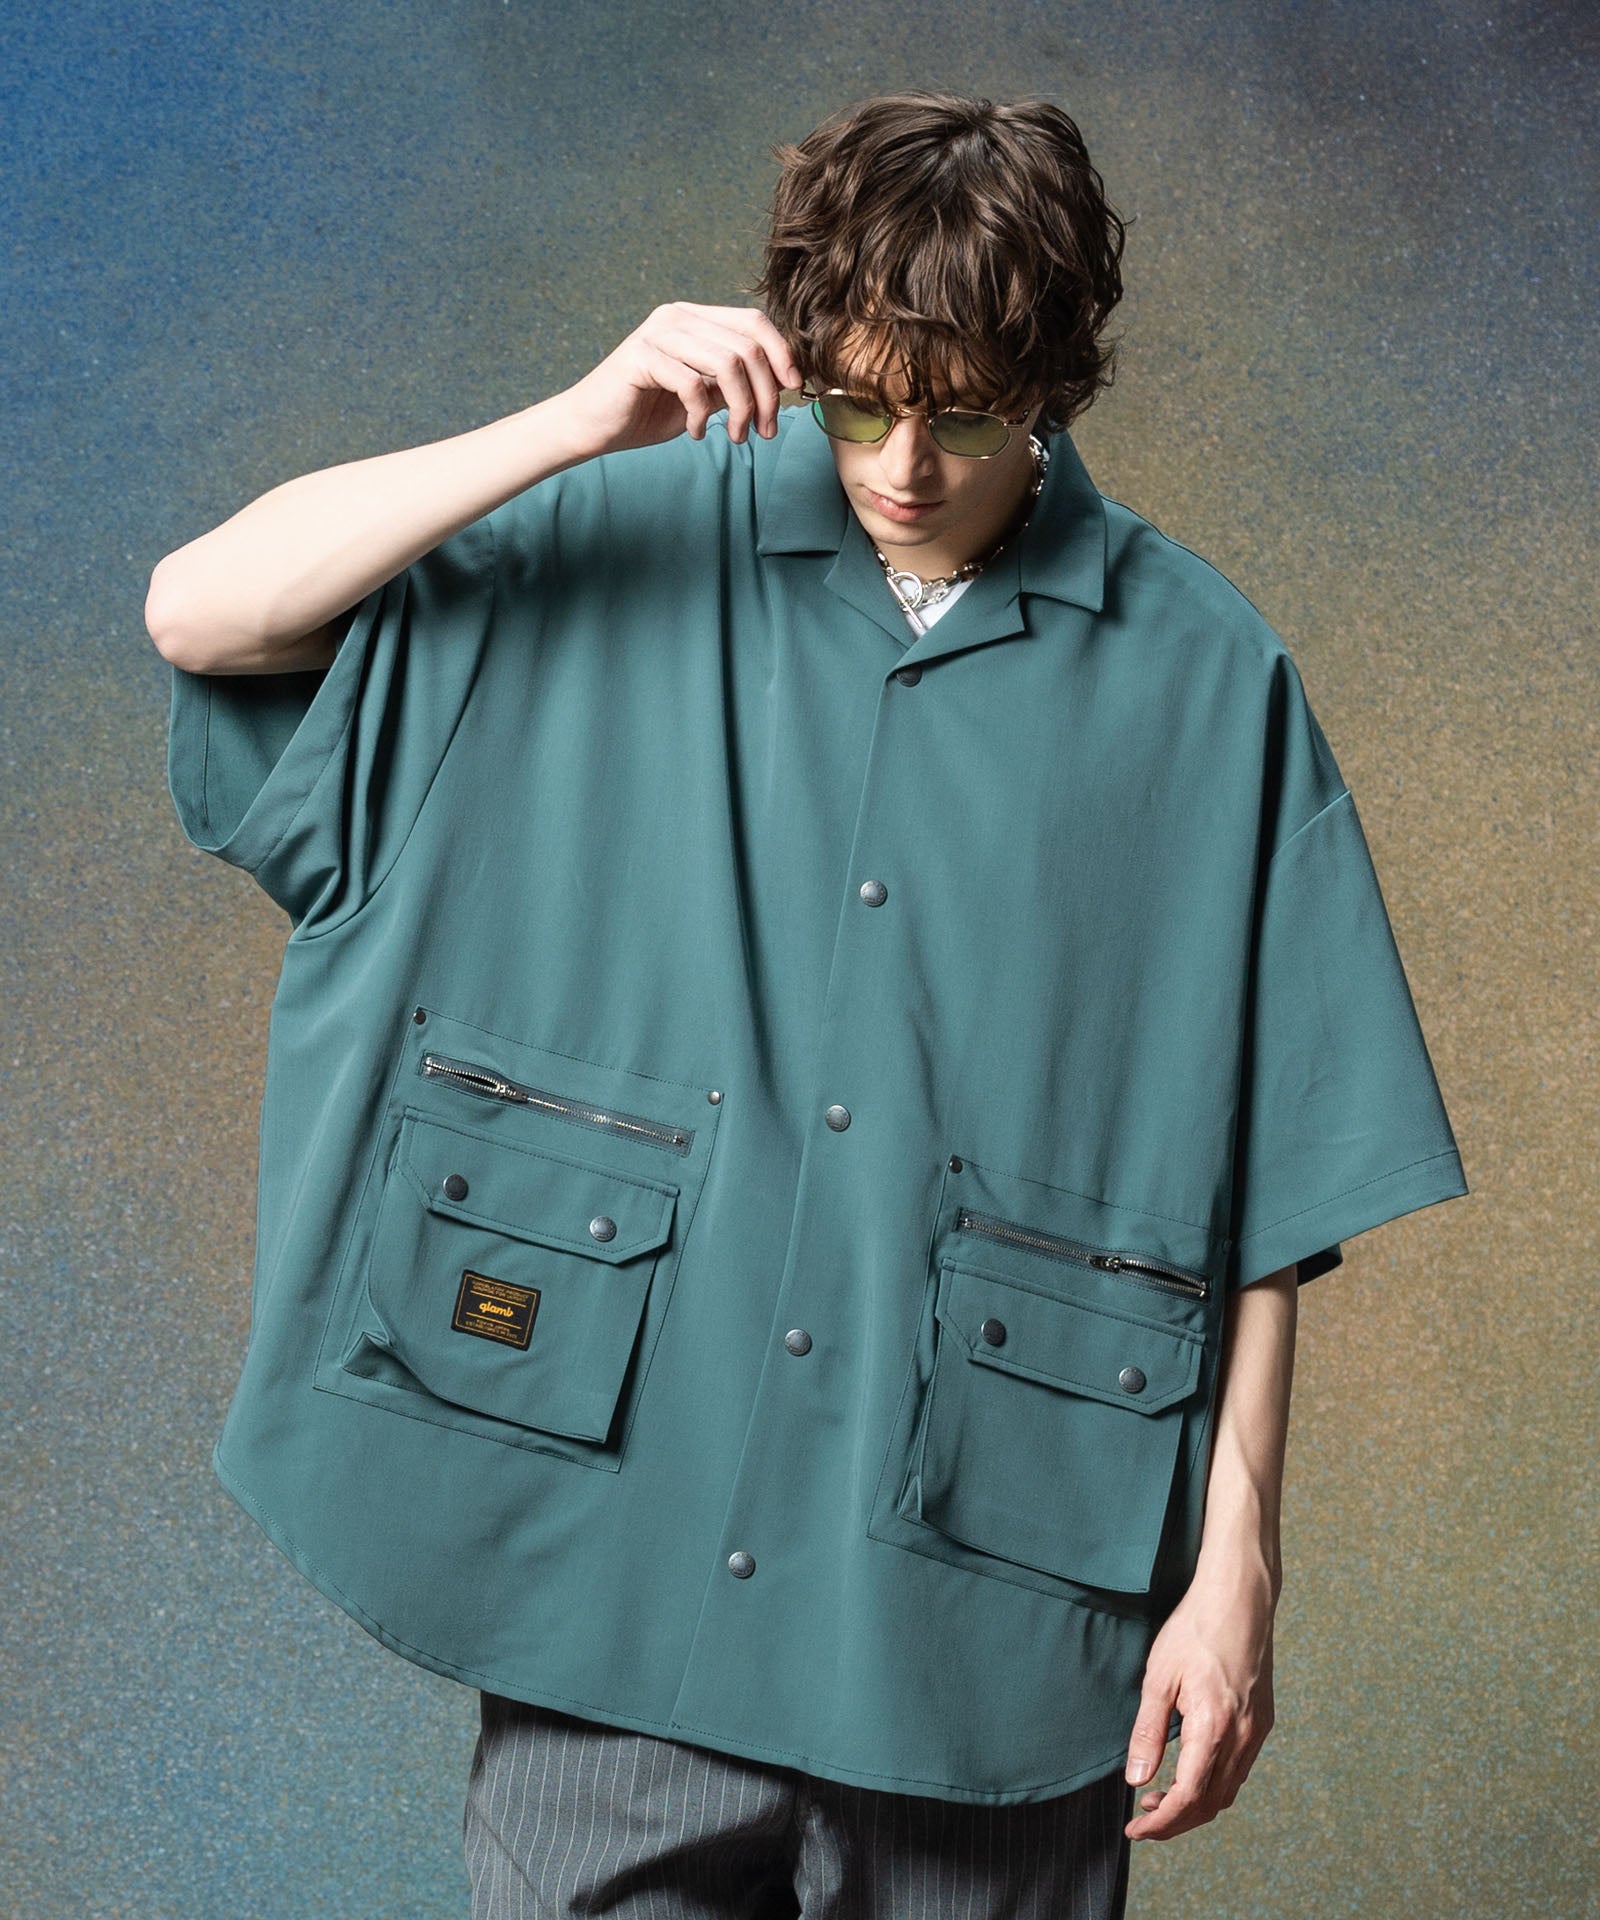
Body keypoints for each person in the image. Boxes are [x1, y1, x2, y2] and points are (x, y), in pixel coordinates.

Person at [146, 91, 1468, 1918]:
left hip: (987, 1633)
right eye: (858, 402)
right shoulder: (610, 536)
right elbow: (201, 615)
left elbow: (1274, 1186)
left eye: (968, 415)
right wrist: (578, 419)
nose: (904, 464)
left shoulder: (1209, 680)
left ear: (1057, 388)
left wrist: (1239, 1566)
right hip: (619, 1594)